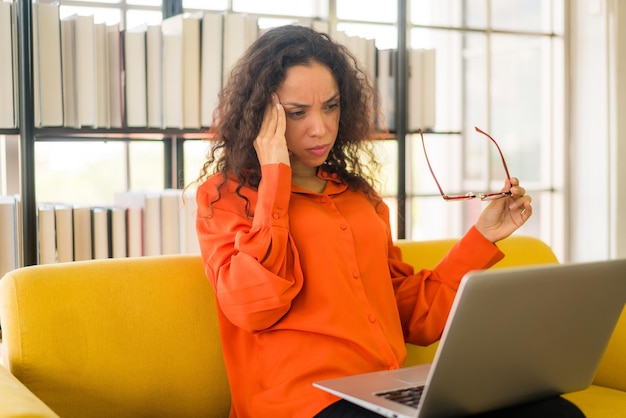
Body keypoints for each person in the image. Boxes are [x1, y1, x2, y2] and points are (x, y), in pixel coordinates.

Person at [194, 25, 584, 418]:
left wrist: (483, 236)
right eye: (297, 113)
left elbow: (412, 317)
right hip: (304, 405)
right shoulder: (224, 196)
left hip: (383, 393)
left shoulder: (359, 197)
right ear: (262, 118)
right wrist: (274, 175)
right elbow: (252, 307)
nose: (321, 127)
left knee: (556, 412)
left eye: (331, 106)